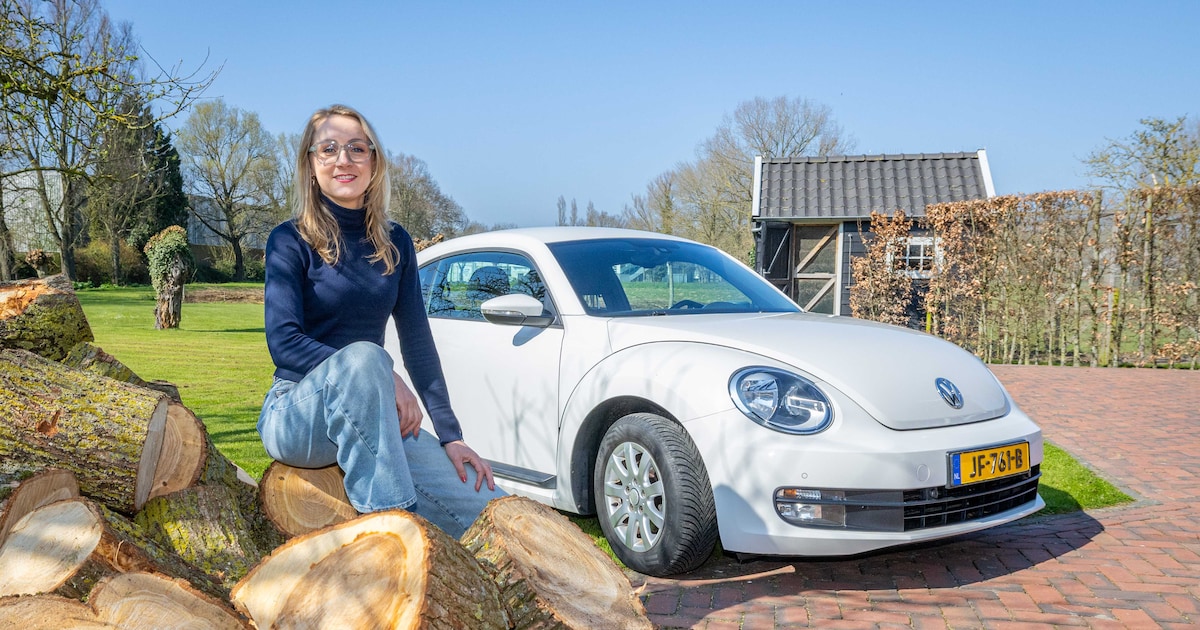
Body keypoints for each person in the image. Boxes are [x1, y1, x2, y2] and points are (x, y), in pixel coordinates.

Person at [257, 104, 502, 538]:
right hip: (296, 413)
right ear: (310, 165)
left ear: (374, 162)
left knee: (489, 510)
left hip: (375, 416)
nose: (343, 159)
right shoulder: (288, 240)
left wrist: (451, 435)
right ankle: (390, 538)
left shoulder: (396, 242)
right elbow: (284, 342)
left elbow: (418, 342)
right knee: (367, 357)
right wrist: (385, 375)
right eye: (328, 149)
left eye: (357, 148)